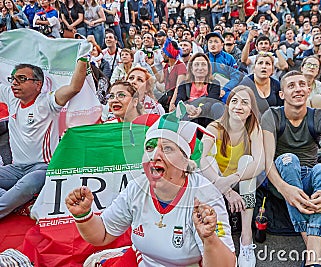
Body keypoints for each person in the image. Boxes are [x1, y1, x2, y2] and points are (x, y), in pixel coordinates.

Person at [65, 107, 236, 266]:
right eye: (149, 147)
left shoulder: (204, 195)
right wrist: (83, 215)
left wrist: (209, 238)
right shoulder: (136, 189)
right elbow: (102, 235)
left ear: (186, 164)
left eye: (167, 148)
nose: (155, 155)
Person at [262, 71, 321, 267]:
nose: (298, 88)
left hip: (309, 178)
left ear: (308, 90)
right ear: (282, 94)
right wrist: (284, 188)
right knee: (287, 159)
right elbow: (266, 160)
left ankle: (312, 260)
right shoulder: (272, 116)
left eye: (302, 84)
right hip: (281, 179)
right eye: (291, 86)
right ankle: (315, 252)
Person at [0, 59, 87, 219]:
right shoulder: (12, 99)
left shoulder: (47, 102)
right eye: (13, 79)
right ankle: (18, 203)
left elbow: (74, 87)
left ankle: (16, 201)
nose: (15, 83)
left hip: (42, 168)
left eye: (22, 79)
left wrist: (82, 58)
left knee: (27, 184)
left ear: (38, 84)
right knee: (19, 188)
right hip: (15, 169)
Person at [200, 85, 264, 267]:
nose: (238, 106)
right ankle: (218, 238)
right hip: (215, 180)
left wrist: (233, 178)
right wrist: (226, 189)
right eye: (234, 101)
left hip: (239, 180)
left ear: (251, 110)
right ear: (227, 106)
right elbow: (200, 160)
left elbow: (260, 163)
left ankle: (246, 237)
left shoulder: (253, 129)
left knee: (247, 161)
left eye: (245, 103)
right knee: (208, 160)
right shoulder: (215, 127)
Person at [174, 53, 223, 126]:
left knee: (217, 105)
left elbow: (212, 100)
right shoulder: (184, 84)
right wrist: (186, 106)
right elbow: (178, 100)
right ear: (191, 68)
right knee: (183, 109)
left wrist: (201, 109)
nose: (200, 68)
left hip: (207, 117)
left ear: (208, 68)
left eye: (203, 64)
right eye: (196, 65)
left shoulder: (214, 84)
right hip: (189, 117)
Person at [150, 37, 187, 112]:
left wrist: (172, 103)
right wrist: (152, 65)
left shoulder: (180, 66)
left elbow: (178, 87)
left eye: (163, 52)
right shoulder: (167, 66)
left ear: (168, 54)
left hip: (176, 97)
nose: (162, 55)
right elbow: (160, 80)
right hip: (167, 95)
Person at [205, 31, 241, 103]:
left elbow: (235, 77)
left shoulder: (229, 58)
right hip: (207, 88)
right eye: (210, 42)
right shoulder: (203, 58)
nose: (213, 45)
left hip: (225, 88)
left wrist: (225, 89)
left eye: (216, 42)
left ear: (222, 45)